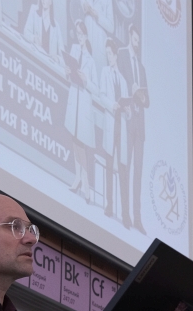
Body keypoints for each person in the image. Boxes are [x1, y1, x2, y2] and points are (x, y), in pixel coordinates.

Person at [117, 23, 150, 233]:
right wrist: (131, 90)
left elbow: (148, 101)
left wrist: (142, 97)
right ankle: (125, 215)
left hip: (139, 125)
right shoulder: (121, 55)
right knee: (125, 167)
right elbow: (118, 82)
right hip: (126, 119)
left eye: (139, 42)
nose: (137, 45)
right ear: (130, 36)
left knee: (137, 172)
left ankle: (137, 218)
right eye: (135, 40)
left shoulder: (142, 67)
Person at [64, 20, 98, 203]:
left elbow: (95, 88)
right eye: (77, 33)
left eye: (81, 34)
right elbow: (68, 74)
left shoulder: (91, 60)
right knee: (74, 139)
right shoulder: (74, 50)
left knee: (80, 144)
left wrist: (86, 80)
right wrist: (68, 71)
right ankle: (78, 178)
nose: (79, 37)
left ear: (86, 35)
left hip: (84, 104)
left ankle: (85, 184)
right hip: (74, 101)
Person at [99, 39, 129, 225]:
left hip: (121, 126)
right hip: (111, 123)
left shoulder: (123, 80)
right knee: (109, 167)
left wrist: (127, 109)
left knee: (123, 170)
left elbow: (128, 109)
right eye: (107, 54)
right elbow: (102, 96)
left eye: (110, 54)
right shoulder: (104, 72)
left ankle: (125, 214)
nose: (108, 57)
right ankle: (109, 205)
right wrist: (113, 105)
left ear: (116, 55)